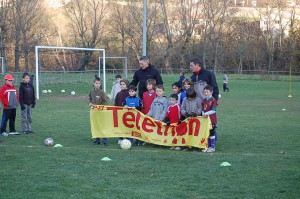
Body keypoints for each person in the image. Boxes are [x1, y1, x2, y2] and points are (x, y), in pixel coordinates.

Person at [89, 77, 108, 145]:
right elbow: (90, 98)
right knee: (96, 125)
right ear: (93, 84)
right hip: (94, 112)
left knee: (102, 126)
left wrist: (99, 107)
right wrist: (90, 103)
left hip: (101, 112)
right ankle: (97, 140)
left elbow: (105, 102)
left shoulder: (102, 92)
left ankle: (105, 140)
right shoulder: (91, 92)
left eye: (99, 83)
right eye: (96, 83)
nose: (97, 85)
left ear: (100, 84)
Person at [201, 85, 218, 153]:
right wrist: (203, 113)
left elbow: (214, 110)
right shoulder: (204, 100)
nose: (206, 93)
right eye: (205, 92)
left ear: (211, 92)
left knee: (212, 133)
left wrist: (206, 113)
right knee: (206, 133)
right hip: (205, 120)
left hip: (212, 120)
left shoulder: (213, 100)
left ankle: (212, 147)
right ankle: (207, 146)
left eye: (207, 92)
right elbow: (202, 109)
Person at [114, 79, 130, 144]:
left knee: (127, 125)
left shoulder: (129, 93)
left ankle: (127, 138)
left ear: (127, 85)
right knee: (120, 125)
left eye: (123, 84)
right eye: (121, 84)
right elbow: (116, 103)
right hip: (120, 112)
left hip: (127, 113)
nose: (122, 85)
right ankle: (120, 138)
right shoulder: (119, 93)